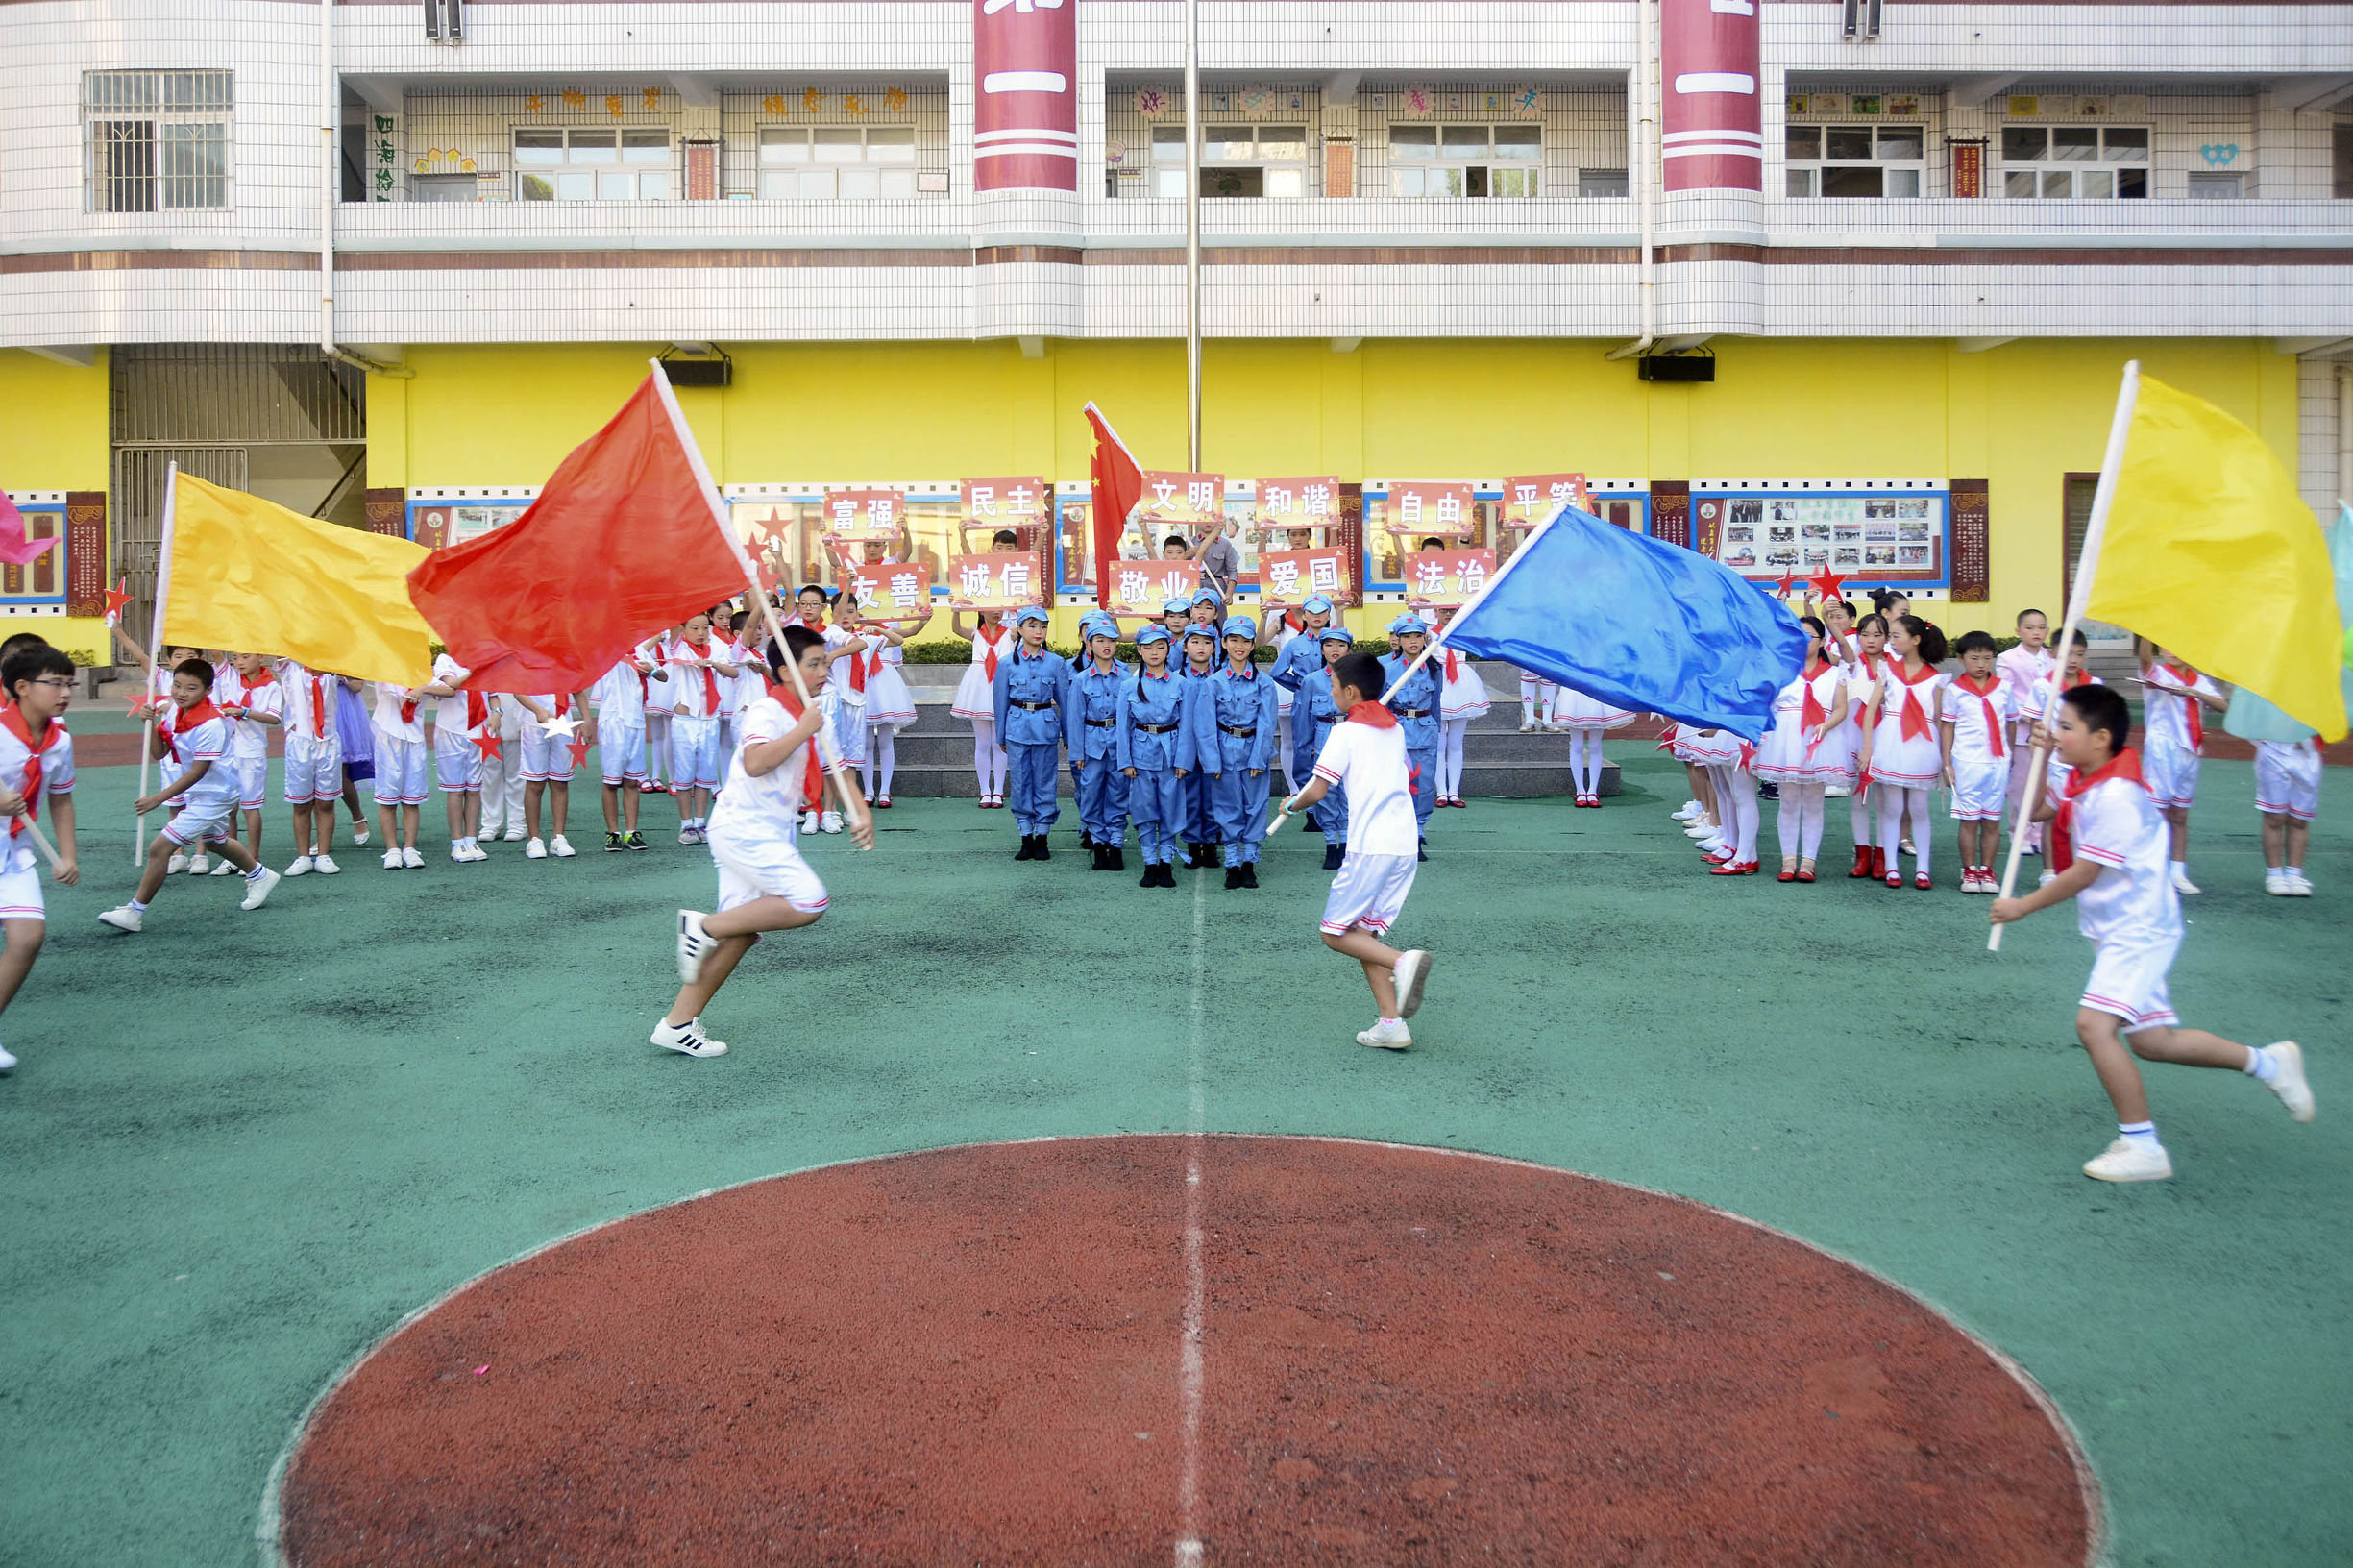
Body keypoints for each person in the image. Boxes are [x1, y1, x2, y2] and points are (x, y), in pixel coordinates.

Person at [1991, 682, 2313, 1182]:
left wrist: (2022, 907)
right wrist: (2040, 756)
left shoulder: (2117, 795)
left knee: (2093, 1026)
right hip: (2121, 927)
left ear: (2101, 738)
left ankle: (2142, 1145)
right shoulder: (2082, 778)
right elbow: (2034, 811)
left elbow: (2085, 872)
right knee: (2153, 1041)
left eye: (2066, 727)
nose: (2056, 733)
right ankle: (2268, 1064)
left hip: (2138, 929)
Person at [664, 627, 873, 1059]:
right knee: (810, 901)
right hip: (745, 829)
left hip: (762, 831)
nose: (823, 670)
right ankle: (702, 927)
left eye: (824, 662)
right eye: (813, 663)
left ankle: (677, 1024)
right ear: (785, 671)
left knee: (740, 934)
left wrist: (861, 811)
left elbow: (838, 769)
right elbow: (756, 762)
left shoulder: (812, 712)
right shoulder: (767, 710)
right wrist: (803, 729)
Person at [1278, 650, 1434, 1051]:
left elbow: (1318, 790)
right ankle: (1391, 1024)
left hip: (1371, 847)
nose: (1330, 692)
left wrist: (1291, 805)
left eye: (1332, 686)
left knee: (1333, 933)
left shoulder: (1344, 733)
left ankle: (1403, 962)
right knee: (1363, 934)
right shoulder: (1394, 728)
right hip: (1404, 844)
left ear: (1350, 692)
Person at [101, 657, 282, 928]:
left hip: (215, 795)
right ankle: (260, 875)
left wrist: (158, 798)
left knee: (160, 847)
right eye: (177, 685)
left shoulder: (211, 724)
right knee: (215, 842)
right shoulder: (174, 711)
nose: (181, 693)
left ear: (208, 690)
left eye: (191, 688)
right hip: (200, 793)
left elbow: (198, 771)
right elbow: (160, 752)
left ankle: (134, 912)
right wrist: (148, 725)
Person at [0, 642, 80, 1071]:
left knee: (28, 938)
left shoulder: (59, 742)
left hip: (16, 855)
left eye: (70, 684)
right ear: (22, 687)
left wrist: (67, 856)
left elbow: (61, 800)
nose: (65, 692)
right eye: (55, 683)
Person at [1752, 616, 1848, 882]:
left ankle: (1808, 862)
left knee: (1814, 804)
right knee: (1788, 802)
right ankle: (1788, 861)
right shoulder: (1782, 671)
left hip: (1819, 740)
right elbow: (1767, 705)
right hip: (1787, 742)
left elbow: (1841, 708)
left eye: (1810, 636)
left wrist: (1826, 726)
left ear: (1823, 641)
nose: (1804, 641)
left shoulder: (1835, 674)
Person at [1857, 614, 1949, 889]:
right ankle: (1892, 867)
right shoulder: (1887, 670)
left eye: (1896, 636)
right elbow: (1871, 709)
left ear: (1916, 640)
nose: (1892, 641)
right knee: (1892, 808)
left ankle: (1923, 869)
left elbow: (1940, 720)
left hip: (1922, 744)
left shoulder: (1936, 679)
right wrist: (1868, 746)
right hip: (1890, 740)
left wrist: (1945, 759)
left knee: (1919, 808)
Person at [1190, 615, 1279, 889]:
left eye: (1245, 641)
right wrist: (1211, 762)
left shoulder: (1264, 683)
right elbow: (1205, 726)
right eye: (1234, 640)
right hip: (1224, 749)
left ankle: (1249, 861)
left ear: (1253, 645)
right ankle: (1232, 862)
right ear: (1224, 643)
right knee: (1227, 806)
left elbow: (1267, 723)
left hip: (1254, 749)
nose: (1239, 646)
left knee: (1255, 805)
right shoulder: (1214, 682)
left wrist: (1259, 758)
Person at [2135, 639, 2228, 895]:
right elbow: (2145, 658)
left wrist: (2193, 693)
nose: (2172, 651)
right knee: (2158, 812)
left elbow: (2222, 705)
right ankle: (2152, 870)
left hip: (2190, 751)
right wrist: (2147, 632)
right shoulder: (2158, 673)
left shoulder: (2198, 681)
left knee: (2180, 815)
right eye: (2167, 645)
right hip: (2163, 750)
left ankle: (2177, 872)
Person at [993, 605, 1070, 861]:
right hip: (1016, 728)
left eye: (1043, 626)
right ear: (1020, 629)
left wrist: (1068, 734)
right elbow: (1000, 701)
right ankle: (1025, 835)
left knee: (1046, 781)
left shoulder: (1056, 663)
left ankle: (1042, 836)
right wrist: (1001, 735)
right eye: (1032, 626)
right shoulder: (1007, 663)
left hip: (1045, 727)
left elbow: (1065, 701)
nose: (1038, 631)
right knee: (1021, 781)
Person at [1942, 630, 2016, 894]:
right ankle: (1969, 869)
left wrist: (2009, 755)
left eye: (1987, 658)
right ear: (1961, 659)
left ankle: (1987, 869)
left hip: (1997, 762)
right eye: (1975, 658)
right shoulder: (1954, 691)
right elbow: (1948, 727)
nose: (1981, 664)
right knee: (1969, 820)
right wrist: (1947, 762)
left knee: (1993, 820)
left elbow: (2011, 722)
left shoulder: (2004, 688)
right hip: (1967, 762)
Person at [1118, 625, 1190, 887]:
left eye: (1160, 647)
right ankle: (1150, 863)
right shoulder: (1129, 686)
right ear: (1139, 650)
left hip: (1171, 755)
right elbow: (1122, 727)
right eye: (1147, 647)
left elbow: (1187, 725)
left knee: (1170, 810)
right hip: (1141, 755)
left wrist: (1183, 760)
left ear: (1169, 649)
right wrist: (1125, 762)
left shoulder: (1181, 684)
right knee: (1144, 810)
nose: (1154, 652)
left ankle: (1166, 863)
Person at [667, 611, 738, 845]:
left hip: (709, 719)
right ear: (683, 630)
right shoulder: (678, 646)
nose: (701, 633)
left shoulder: (715, 649)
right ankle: (685, 825)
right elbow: (673, 621)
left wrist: (712, 663)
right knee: (684, 774)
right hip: (685, 721)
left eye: (705, 628)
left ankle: (700, 822)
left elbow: (733, 672)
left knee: (706, 774)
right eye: (694, 628)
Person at [1066, 622, 1131, 870]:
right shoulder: (1081, 679)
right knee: (1091, 793)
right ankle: (1098, 843)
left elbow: (1131, 718)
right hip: (1091, 745)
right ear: (1089, 644)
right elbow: (1075, 718)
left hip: (1118, 742)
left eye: (1111, 640)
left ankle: (1115, 844)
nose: (1106, 645)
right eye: (1100, 640)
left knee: (1118, 792)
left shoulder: (1126, 678)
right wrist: (1077, 753)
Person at [1379, 615, 1442, 860]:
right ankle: (1397, 831)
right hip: (1397, 732)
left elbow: (1435, 706)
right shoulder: (1388, 670)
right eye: (1407, 636)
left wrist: (1435, 732)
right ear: (1398, 639)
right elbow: (1381, 705)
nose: (1413, 641)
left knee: (1423, 785)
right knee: (1396, 784)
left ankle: (1418, 830)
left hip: (1425, 732)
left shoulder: (1434, 669)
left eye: (1418, 636)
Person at [216, 652, 282, 872]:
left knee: (250, 807)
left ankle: (252, 858)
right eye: (235, 658)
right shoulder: (231, 680)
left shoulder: (271, 686)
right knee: (229, 807)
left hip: (252, 752)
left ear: (261, 658)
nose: (239, 662)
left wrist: (245, 712)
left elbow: (274, 717)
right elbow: (217, 655)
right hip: (228, 750)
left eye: (245, 657)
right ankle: (231, 856)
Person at [1997, 608, 2055, 853]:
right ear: (2018, 631)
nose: (2036, 632)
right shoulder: (2008, 659)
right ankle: (2019, 834)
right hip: (2022, 732)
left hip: (2051, 734)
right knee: (2020, 787)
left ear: (2047, 631)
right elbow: (2005, 695)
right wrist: (2028, 715)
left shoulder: (2054, 658)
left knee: (2045, 785)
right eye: (2029, 628)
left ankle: (2039, 834)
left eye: (2041, 627)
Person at [422, 651, 489, 863]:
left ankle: (471, 840)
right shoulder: (446, 660)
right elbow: (451, 686)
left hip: (477, 730)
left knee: (474, 789)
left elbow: (492, 693)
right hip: (451, 731)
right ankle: (458, 843)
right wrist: (473, 672)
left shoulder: (482, 660)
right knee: (456, 790)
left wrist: (497, 713)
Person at [279, 661, 344, 876]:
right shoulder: (291, 668)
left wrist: (329, 667)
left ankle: (323, 855)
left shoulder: (332, 670)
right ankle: (303, 856)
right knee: (301, 804)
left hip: (328, 741)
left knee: (326, 802)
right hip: (300, 743)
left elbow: (355, 674)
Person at [948, 603, 1014, 808]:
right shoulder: (975, 633)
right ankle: (985, 790)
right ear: (981, 611)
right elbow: (955, 628)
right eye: (992, 608)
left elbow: (1030, 628)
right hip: (979, 688)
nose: (997, 612)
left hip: (1002, 684)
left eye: (1000, 609)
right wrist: (956, 608)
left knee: (999, 743)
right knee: (983, 743)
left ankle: (999, 791)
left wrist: (1032, 603)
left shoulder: (1011, 633)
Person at [1840, 613, 1888, 878]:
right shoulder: (1851, 663)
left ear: (1887, 638)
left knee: (1882, 800)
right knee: (1859, 797)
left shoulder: (1894, 666)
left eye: (1877, 635)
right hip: (1854, 735)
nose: (1870, 640)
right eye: (1865, 634)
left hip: (1885, 736)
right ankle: (1861, 854)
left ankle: (1882, 855)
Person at [518, 687, 592, 859]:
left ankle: (558, 837)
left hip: (562, 722)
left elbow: (577, 688)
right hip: (534, 723)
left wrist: (587, 718)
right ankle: (534, 839)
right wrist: (538, 710)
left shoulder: (566, 667)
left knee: (560, 781)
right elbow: (518, 690)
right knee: (535, 782)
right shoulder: (530, 666)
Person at [855, 615, 918, 809]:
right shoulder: (854, 634)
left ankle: (884, 790)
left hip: (885, 686)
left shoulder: (886, 631)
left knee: (885, 741)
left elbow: (901, 638)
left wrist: (878, 629)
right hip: (863, 683)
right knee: (866, 743)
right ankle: (868, 791)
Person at [369, 671, 430, 870]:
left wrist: (423, 688)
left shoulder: (422, 672)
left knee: (412, 799)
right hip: (388, 737)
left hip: (414, 738)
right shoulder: (384, 667)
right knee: (388, 798)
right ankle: (392, 849)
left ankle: (409, 848)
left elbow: (450, 689)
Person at [591, 652, 650, 851]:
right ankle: (613, 833)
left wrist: (652, 670)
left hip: (635, 721)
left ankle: (631, 832)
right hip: (612, 721)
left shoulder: (640, 650)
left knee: (632, 781)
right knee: (611, 782)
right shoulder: (606, 650)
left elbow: (662, 676)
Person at [1174, 624, 1222, 866]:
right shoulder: (1175, 678)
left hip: (1216, 745)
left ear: (1215, 648)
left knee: (1214, 796)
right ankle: (1193, 843)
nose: (1201, 647)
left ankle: (1211, 843)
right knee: (1190, 797)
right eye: (1195, 642)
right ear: (1184, 647)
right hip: (1186, 747)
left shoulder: (1222, 677)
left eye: (1207, 642)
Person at [1434, 623, 1491, 809]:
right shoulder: (1429, 634)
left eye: (1451, 610)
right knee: (1439, 746)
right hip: (1438, 683)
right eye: (1444, 610)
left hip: (1461, 685)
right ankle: (1441, 791)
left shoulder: (1464, 630)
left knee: (1456, 744)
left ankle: (1454, 791)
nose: (1448, 614)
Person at [2254, 737, 2320, 896]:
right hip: (2274, 751)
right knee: (2274, 817)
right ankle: (2275, 875)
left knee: (2300, 820)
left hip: (2308, 753)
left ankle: (2294, 874)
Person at [1550, 683, 1633, 809]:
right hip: (1574, 689)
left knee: (1595, 745)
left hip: (1596, 689)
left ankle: (1592, 791)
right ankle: (1580, 791)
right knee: (1577, 745)